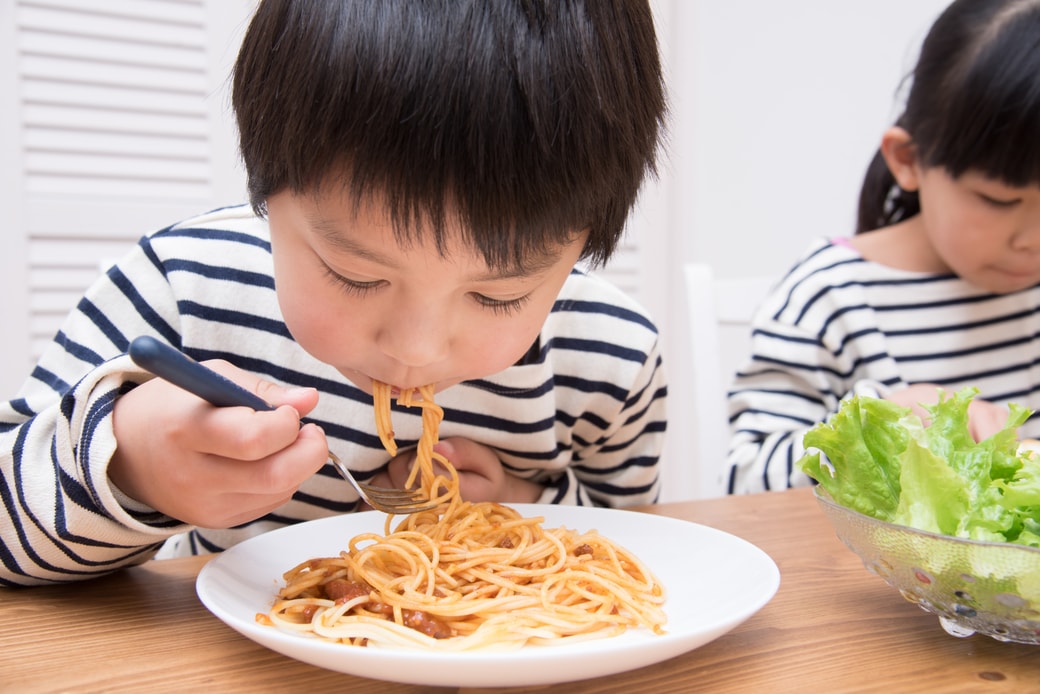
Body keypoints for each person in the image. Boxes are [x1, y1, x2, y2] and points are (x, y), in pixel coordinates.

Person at [0, 0, 667, 586]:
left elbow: (642, 554)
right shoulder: (184, 285)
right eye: (357, 276)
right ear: (266, 193)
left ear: (584, 246)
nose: (415, 349)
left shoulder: (610, 357)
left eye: (498, 296)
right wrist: (127, 468)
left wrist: (527, 501)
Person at [726, 0, 1040, 494]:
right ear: (909, 159)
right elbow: (743, 481)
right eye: (999, 199)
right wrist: (874, 423)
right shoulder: (830, 295)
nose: (1033, 239)